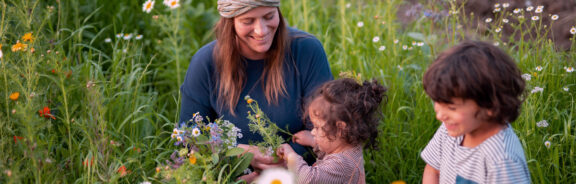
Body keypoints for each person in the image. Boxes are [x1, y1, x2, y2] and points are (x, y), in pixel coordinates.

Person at [179, 0, 333, 180]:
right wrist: (239, 153)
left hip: (301, 175)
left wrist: (282, 163)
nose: (261, 31)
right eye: (248, 21)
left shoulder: (306, 51)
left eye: (269, 17)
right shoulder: (206, 63)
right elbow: (189, 141)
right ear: (230, 22)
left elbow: (329, 135)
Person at [420, 41, 531, 183]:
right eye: (437, 103)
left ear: (490, 105)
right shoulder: (452, 129)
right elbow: (433, 170)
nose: (440, 115)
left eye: (451, 108)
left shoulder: (503, 160)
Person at [276, 78, 387, 184]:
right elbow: (331, 148)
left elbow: (307, 179)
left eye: (317, 127)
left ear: (340, 129)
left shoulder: (342, 165)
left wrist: (290, 156)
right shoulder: (347, 147)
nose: (313, 132)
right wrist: (312, 141)